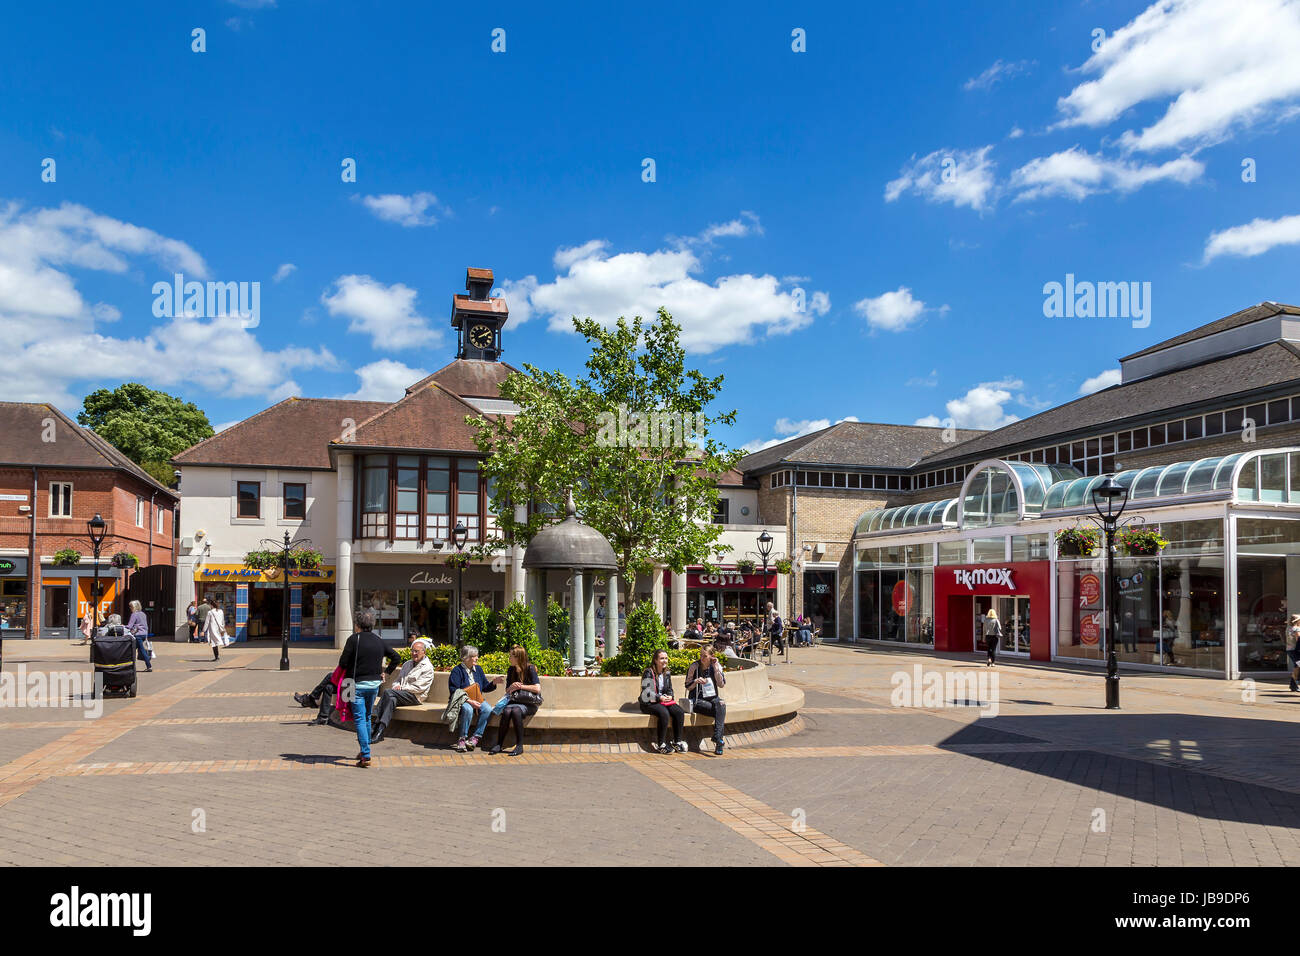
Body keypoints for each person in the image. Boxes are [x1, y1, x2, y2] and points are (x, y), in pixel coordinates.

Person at [339, 609, 403, 768]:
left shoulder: (354, 639)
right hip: (374, 685)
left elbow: (343, 663)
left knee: (360, 719)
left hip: (356, 685)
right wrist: (386, 673)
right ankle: (364, 751)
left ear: (357, 625)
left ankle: (366, 754)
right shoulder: (379, 640)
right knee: (367, 717)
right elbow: (396, 657)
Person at [370, 637, 437, 743]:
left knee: (388, 692)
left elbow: (419, 688)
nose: (414, 653)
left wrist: (402, 688)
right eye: (412, 651)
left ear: (424, 652)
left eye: (417, 651)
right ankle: (380, 731)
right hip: (400, 694)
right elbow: (397, 680)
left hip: (415, 697)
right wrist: (396, 686)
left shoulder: (428, 668)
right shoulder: (407, 664)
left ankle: (375, 723)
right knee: (391, 699)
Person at [491, 645, 542, 756]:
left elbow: (537, 689)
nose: (509, 658)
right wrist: (512, 686)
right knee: (507, 711)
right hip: (515, 701)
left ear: (518, 657)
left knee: (515, 711)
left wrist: (521, 686)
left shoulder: (530, 668)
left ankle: (519, 746)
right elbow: (507, 690)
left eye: (511, 656)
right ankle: (499, 744)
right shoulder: (511, 670)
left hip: (529, 703)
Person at [449, 645, 501, 752]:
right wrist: (470, 701)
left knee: (487, 709)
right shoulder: (457, 671)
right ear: (466, 658)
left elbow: (485, 687)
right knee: (467, 709)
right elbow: (454, 691)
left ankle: (475, 738)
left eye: (477, 656)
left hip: (477, 698)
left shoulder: (478, 669)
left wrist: (494, 683)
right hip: (463, 700)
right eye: (474, 656)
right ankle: (462, 738)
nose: (477, 658)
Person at [640, 649, 685, 754]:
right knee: (664, 713)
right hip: (649, 703)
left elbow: (670, 689)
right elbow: (647, 692)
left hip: (663, 701)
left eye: (666, 658)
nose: (664, 661)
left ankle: (677, 742)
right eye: (661, 658)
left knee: (679, 712)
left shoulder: (667, 673)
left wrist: (670, 696)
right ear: (655, 660)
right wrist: (659, 697)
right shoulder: (648, 672)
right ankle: (661, 744)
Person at [686, 645, 727, 755]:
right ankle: (719, 741)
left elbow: (721, 684)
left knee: (721, 705)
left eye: (705, 656)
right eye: (700, 655)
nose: (702, 658)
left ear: (711, 656)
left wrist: (716, 668)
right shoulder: (694, 666)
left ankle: (717, 737)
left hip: (712, 698)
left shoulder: (715, 666)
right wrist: (695, 681)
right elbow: (687, 686)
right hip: (697, 699)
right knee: (720, 712)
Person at [126, 600, 152, 673]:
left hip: (138, 635)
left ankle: (149, 666)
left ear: (134, 607)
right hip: (144, 634)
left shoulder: (134, 614)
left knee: (136, 651)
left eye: (130, 606)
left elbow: (129, 626)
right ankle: (131, 666)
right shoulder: (143, 614)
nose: (130, 608)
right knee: (137, 650)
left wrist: (122, 626)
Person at [1287, 614, 1300, 693]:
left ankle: (1293, 685)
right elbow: (1299, 640)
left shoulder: (1289, 628)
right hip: (1296, 650)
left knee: (1297, 666)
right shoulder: (1296, 629)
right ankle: (1293, 685)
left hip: (1289, 649)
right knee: (1298, 666)